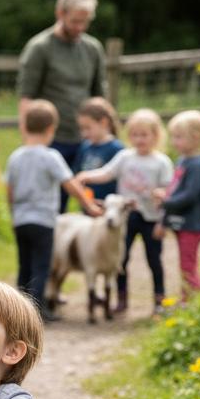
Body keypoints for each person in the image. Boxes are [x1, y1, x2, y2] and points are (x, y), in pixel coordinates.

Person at [5, 99, 101, 321]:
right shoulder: (51, 157)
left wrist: (13, 214)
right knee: (42, 265)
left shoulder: (16, 156)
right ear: (51, 129)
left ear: (25, 126)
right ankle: (38, 311)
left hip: (21, 220)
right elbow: (70, 185)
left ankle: (18, 311)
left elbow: (9, 190)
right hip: (44, 220)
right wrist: (90, 206)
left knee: (24, 265)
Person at [16, 0, 108, 213]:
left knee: (92, 201)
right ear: (60, 14)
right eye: (75, 21)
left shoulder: (93, 49)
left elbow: (100, 97)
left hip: (86, 141)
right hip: (52, 139)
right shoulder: (40, 48)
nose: (80, 27)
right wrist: (29, 140)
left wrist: (108, 133)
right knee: (54, 204)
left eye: (85, 22)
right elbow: (26, 97)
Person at [76, 108, 174, 315]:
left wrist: (162, 195)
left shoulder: (162, 162)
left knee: (154, 258)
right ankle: (121, 298)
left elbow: (169, 191)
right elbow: (107, 173)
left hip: (151, 217)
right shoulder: (125, 157)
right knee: (120, 258)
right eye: (135, 135)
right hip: (125, 219)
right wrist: (87, 176)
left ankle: (159, 298)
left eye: (144, 135)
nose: (140, 139)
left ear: (155, 136)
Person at [152, 110, 200, 302]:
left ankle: (192, 303)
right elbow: (176, 189)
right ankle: (189, 299)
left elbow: (190, 196)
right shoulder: (183, 161)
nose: (174, 142)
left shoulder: (197, 165)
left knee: (188, 265)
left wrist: (166, 201)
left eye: (178, 137)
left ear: (196, 138)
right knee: (185, 264)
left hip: (193, 224)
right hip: (183, 222)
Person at [75, 96, 124, 202]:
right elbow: (78, 171)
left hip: (109, 206)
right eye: (82, 128)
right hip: (88, 203)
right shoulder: (85, 147)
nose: (84, 133)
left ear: (103, 122)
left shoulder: (116, 149)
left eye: (88, 128)